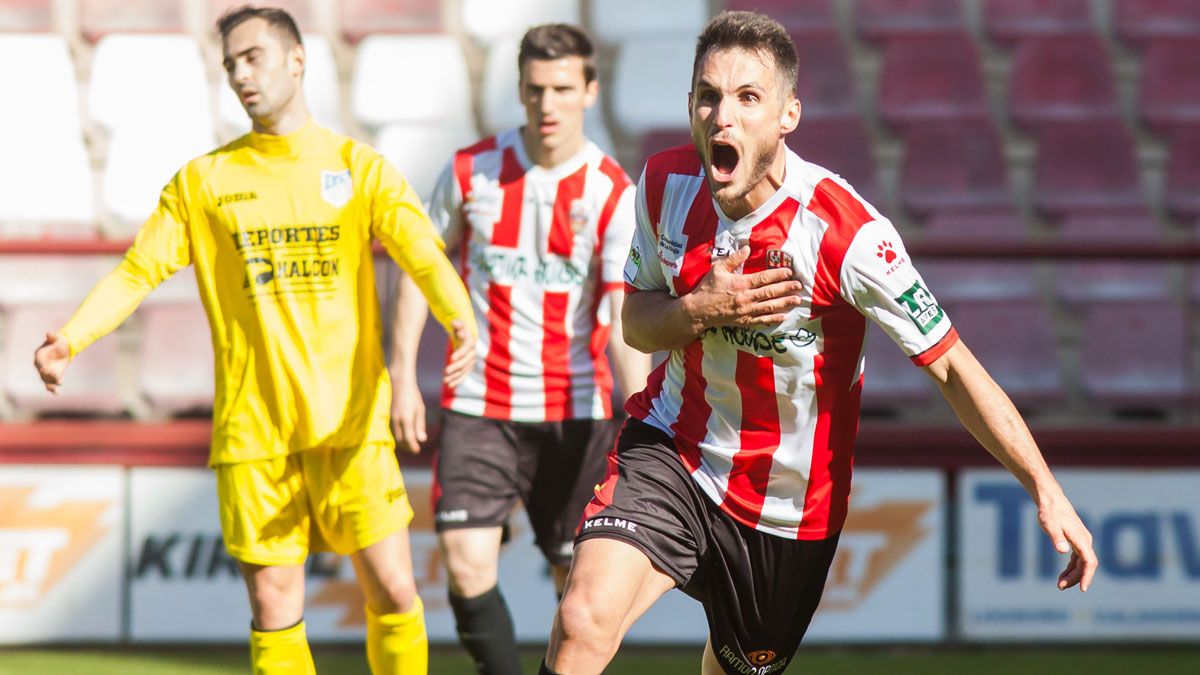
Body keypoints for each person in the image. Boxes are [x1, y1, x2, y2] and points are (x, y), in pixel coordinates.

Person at [541, 11, 1098, 675]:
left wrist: (1044, 486)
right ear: (690, 104)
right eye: (709, 95)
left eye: (749, 98)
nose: (724, 117)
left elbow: (950, 365)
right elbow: (636, 320)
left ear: (787, 115)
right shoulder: (663, 186)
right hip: (674, 449)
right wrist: (700, 307)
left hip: (787, 508)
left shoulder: (847, 233)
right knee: (582, 621)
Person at [32, 6, 476, 674]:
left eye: (254, 57)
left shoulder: (357, 167)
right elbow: (137, 270)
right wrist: (71, 338)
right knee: (274, 606)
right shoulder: (203, 182)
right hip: (253, 433)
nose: (242, 74)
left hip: (351, 425)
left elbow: (419, 246)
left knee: (392, 588)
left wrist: (457, 314)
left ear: (297, 60)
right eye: (231, 63)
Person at [390, 23, 651, 675]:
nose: (548, 103)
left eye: (563, 88)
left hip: (577, 411)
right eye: (535, 89)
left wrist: (642, 413)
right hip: (480, 402)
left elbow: (624, 316)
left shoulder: (612, 191)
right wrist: (400, 375)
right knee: (463, 559)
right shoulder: (471, 170)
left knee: (581, 586)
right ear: (519, 90)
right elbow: (417, 266)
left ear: (590, 91)